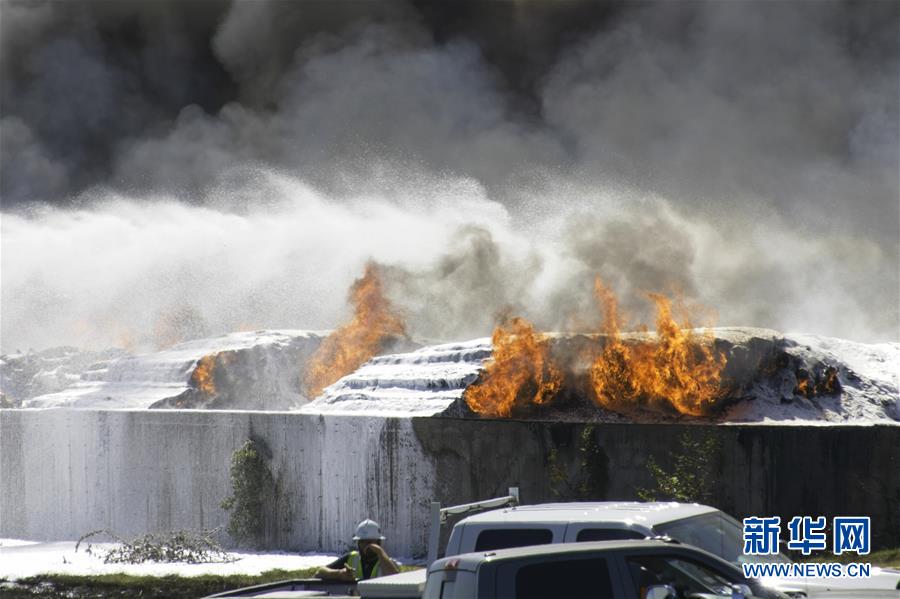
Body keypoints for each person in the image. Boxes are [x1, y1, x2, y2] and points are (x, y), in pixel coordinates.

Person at [315, 519, 400, 581]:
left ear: (379, 542)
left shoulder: (387, 563)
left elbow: (396, 581)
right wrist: (340, 574)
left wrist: (380, 552)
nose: (366, 546)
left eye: (370, 542)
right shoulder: (352, 557)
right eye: (362, 542)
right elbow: (320, 572)